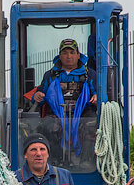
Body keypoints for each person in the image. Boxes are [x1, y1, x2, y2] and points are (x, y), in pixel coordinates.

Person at [31, 38, 98, 167]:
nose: (68, 56)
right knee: (47, 126)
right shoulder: (50, 75)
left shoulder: (90, 74)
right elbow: (39, 96)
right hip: (56, 114)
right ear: (59, 56)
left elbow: (99, 96)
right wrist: (37, 96)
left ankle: (85, 161)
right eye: (65, 53)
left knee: (91, 124)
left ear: (78, 55)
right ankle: (55, 162)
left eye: (72, 53)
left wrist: (96, 98)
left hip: (82, 114)